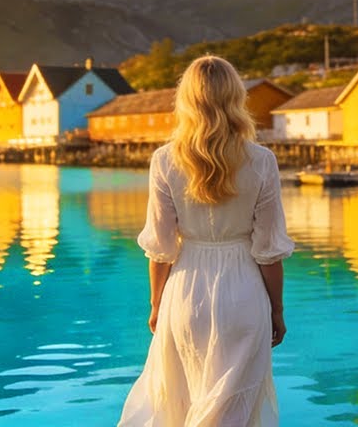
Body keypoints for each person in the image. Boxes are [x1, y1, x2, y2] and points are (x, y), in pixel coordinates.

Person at [118, 55, 295, 427]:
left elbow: (161, 249)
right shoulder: (262, 161)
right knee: (235, 413)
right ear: (236, 97)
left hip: (185, 294)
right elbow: (268, 251)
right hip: (245, 293)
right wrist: (277, 310)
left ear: (186, 100)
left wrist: (156, 304)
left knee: (180, 406)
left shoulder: (164, 160)